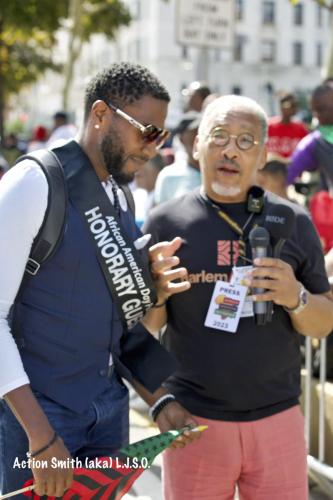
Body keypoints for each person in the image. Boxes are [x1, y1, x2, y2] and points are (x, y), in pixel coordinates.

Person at [0, 63, 199, 499]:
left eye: (160, 136)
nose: (153, 148)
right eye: (146, 130)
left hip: (107, 412)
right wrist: (40, 435)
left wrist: (160, 399)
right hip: (41, 416)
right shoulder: (34, 182)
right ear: (101, 115)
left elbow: (118, 324)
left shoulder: (119, 196)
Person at [143, 95, 333, 500]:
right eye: (219, 136)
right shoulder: (166, 222)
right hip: (193, 422)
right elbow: (147, 329)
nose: (231, 149)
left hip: (277, 419)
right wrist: (157, 295)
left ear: (264, 155)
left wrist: (294, 296)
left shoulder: (292, 221)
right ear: (196, 146)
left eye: (247, 141)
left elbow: (325, 321)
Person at [287, 83, 333, 189]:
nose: (317, 115)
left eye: (322, 109)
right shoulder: (315, 142)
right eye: (314, 111)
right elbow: (289, 172)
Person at [154, 112, 201, 205]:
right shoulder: (169, 175)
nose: (198, 138)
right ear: (182, 139)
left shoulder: (220, 172)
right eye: (194, 133)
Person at [267, 93, 308, 159]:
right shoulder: (269, 126)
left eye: (295, 106)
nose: (293, 109)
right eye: (290, 105)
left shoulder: (301, 129)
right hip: (271, 167)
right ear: (281, 107)